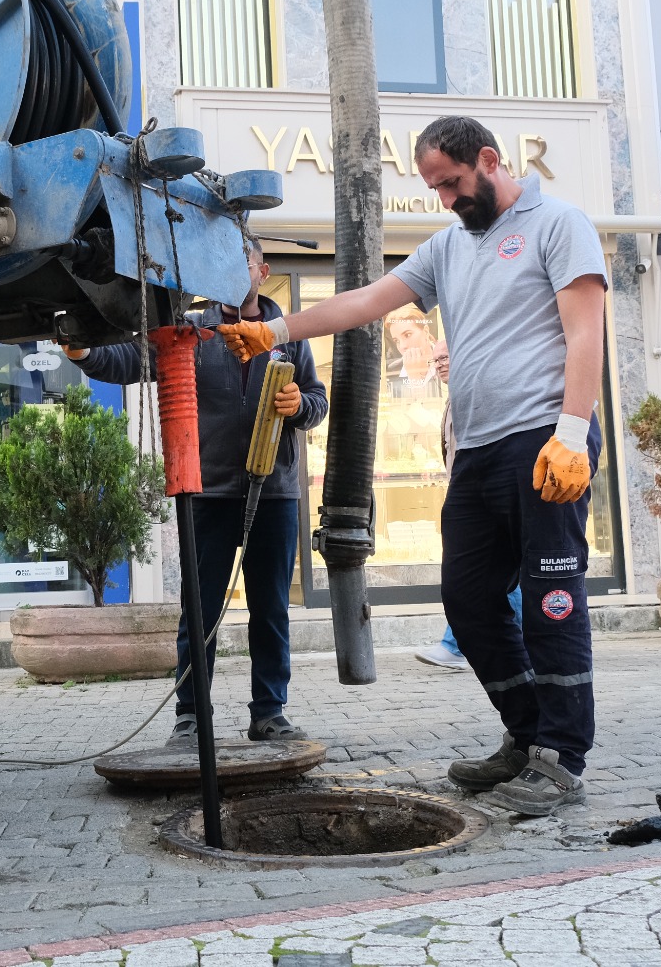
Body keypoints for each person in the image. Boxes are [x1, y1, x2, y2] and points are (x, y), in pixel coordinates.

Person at [220, 116, 606, 816]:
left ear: (489, 160)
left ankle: (562, 756)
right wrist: (273, 330)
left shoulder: (559, 223)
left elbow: (587, 331)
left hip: (546, 439)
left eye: (452, 184)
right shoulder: (447, 247)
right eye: (434, 188)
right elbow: (364, 303)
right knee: (467, 597)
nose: (446, 200)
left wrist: (573, 434)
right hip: (480, 447)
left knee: (552, 599)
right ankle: (525, 735)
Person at [64, 235, 328, 745]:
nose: (232, 272)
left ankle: (269, 713)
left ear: (261, 270)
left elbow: (317, 400)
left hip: (273, 494)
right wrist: (83, 350)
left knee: (270, 609)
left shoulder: (289, 334)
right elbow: (128, 361)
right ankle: (191, 716)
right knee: (199, 609)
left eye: (242, 262)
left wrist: (301, 404)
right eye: (221, 262)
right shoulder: (191, 329)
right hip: (205, 493)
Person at [414, 339, 523, 671]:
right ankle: (509, 645)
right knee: (501, 582)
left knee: (493, 582)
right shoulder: (454, 398)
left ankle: (455, 645)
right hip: (469, 493)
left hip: (487, 495)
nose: (440, 364)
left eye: (445, 357)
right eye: (435, 360)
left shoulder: (475, 395)